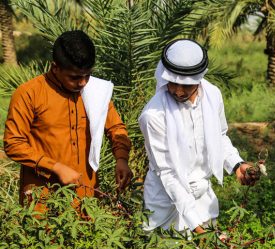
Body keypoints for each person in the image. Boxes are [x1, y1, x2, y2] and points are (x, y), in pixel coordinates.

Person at [139, 39, 258, 234]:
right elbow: (168, 174)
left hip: (203, 199)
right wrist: (196, 226)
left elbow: (219, 136)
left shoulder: (212, 95)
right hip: (166, 203)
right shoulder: (153, 116)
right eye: (173, 83)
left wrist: (237, 165)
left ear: (198, 78)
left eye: (186, 85)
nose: (178, 91)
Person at [4, 30, 133, 210]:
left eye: (87, 75)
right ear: (55, 67)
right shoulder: (29, 94)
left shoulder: (96, 91)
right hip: (42, 199)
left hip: (87, 198)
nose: (82, 83)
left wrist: (121, 159)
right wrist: (55, 167)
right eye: (74, 77)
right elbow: (13, 143)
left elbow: (116, 128)